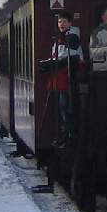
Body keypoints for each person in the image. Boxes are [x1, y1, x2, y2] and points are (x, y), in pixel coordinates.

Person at [42, 11, 81, 144]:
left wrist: (52, 63)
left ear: (70, 23)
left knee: (66, 106)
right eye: (59, 22)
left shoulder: (72, 36)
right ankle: (65, 131)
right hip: (60, 78)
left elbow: (71, 57)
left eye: (64, 21)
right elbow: (57, 56)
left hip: (68, 78)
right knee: (61, 106)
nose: (61, 24)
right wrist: (47, 63)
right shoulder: (59, 37)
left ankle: (70, 133)